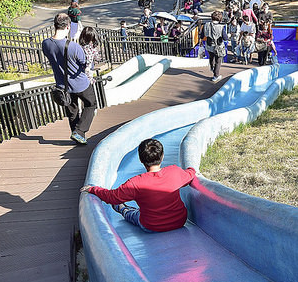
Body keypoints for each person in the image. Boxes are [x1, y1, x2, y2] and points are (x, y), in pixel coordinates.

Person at [81, 138, 197, 233]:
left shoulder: (135, 183)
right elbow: (191, 174)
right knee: (140, 212)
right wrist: (191, 167)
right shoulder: (174, 172)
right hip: (179, 221)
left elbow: (112, 197)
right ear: (162, 156)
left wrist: (93, 189)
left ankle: (123, 209)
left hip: (152, 226)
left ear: (141, 159)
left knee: (133, 215)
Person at [41, 13, 97, 145]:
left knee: (72, 111)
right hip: (80, 83)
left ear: (55, 25)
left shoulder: (46, 44)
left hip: (62, 86)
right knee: (91, 104)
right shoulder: (73, 46)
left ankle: (78, 137)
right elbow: (84, 63)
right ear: (68, 26)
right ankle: (79, 132)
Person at [204, 11, 225, 81]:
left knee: (211, 57)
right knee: (218, 61)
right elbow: (225, 38)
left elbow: (202, 35)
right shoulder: (221, 27)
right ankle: (216, 76)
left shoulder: (206, 25)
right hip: (218, 46)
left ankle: (212, 67)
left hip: (209, 45)